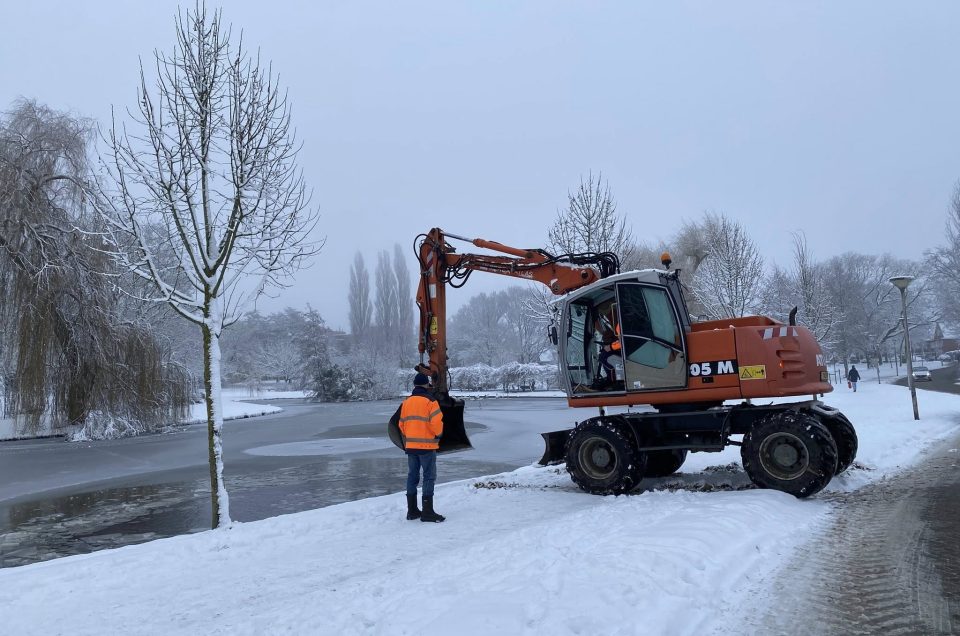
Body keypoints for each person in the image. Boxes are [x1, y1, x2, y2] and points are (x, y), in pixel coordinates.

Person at [399, 373, 445, 522]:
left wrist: (410, 437)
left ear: (414, 385)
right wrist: (438, 434)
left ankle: (412, 511)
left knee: (412, 476)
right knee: (429, 477)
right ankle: (427, 512)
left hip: (411, 446)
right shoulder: (431, 402)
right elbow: (436, 424)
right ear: (426, 384)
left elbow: (401, 425)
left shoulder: (406, 402)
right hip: (427, 446)